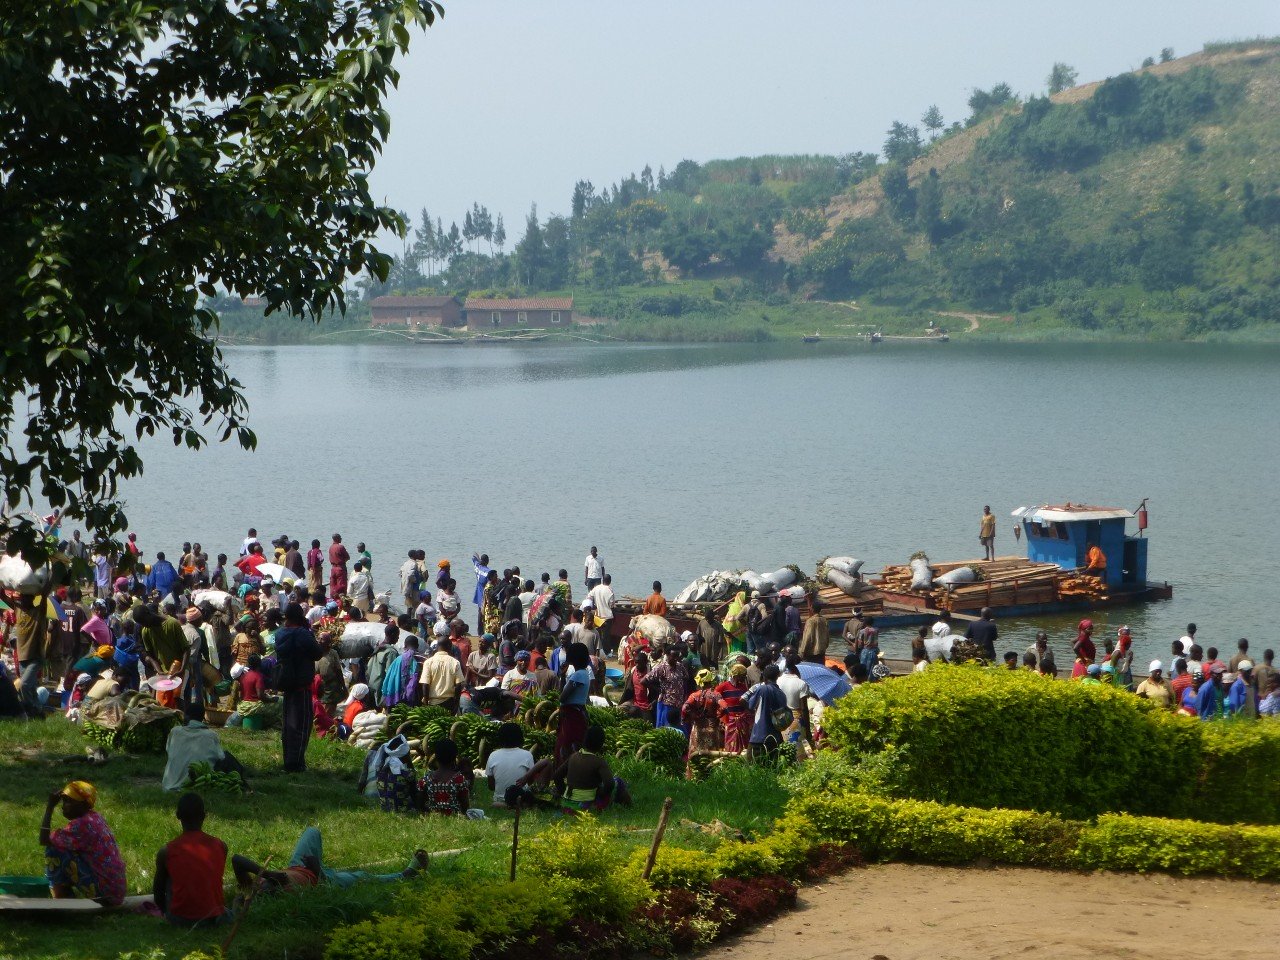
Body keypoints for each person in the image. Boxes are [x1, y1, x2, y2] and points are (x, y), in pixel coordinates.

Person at [233, 827, 426, 892]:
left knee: (312, 831)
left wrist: (268, 873)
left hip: (298, 866)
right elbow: (321, 890)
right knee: (361, 876)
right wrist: (317, 871)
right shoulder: (282, 893)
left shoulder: (252, 888)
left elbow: (236, 860)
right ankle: (406, 875)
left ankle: (322, 868)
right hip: (321, 881)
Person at [40, 781, 126, 905]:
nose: (64, 806)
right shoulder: (95, 818)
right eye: (63, 801)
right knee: (64, 849)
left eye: (69, 801)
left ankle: (61, 899)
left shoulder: (82, 825)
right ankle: (65, 895)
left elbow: (44, 840)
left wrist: (50, 807)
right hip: (115, 892)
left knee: (53, 849)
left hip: (105, 896)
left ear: (84, 805)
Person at [154, 793, 230, 925]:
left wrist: (163, 912)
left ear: (178, 815)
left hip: (179, 919)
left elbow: (158, 891)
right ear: (204, 815)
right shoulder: (221, 846)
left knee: (167, 876)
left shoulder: (167, 851)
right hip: (214, 917)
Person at [274, 603, 323, 773]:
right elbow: (317, 653)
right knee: (302, 726)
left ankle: (289, 760)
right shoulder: (302, 634)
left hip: (287, 685)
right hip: (301, 686)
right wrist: (322, 641)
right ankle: (296, 764)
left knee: (288, 726)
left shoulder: (280, 634)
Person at [163, 701, 245, 791]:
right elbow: (220, 757)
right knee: (227, 756)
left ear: (187, 716)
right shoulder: (211, 735)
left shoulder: (175, 732)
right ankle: (243, 785)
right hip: (199, 784)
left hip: (169, 786)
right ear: (202, 718)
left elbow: (169, 750)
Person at [553, 725, 629, 812]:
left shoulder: (573, 757)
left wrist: (564, 793)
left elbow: (556, 776)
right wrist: (601, 794)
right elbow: (609, 784)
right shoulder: (599, 762)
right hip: (587, 807)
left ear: (584, 741)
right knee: (618, 782)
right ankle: (629, 806)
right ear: (601, 744)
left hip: (567, 806)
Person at [556, 642, 593, 763]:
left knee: (567, 747)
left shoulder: (578, 675)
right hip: (576, 713)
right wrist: (562, 676)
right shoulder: (584, 674)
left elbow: (562, 697)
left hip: (572, 715)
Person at [485, 722, 536, 807]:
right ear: (520, 738)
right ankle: (517, 804)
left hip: (499, 799)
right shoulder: (527, 755)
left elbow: (491, 786)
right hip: (522, 798)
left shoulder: (493, 755)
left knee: (496, 804)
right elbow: (531, 781)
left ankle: (506, 805)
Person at [681, 669, 723, 771]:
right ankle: (711, 775)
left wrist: (692, 717)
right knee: (712, 755)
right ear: (710, 681)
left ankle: (694, 774)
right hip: (712, 729)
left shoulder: (694, 696)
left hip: (698, 729)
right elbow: (725, 707)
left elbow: (684, 708)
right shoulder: (716, 695)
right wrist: (718, 717)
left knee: (696, 754)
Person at [744, 664, 788, 760]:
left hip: (758, 737)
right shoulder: (782, 694)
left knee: (752, 768)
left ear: (764, 676)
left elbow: (750, 706)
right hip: (775, 738)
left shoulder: (762, 689)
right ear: (778, 676)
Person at [419, 738, 473, 815]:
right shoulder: (459, 779)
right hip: (455, 818)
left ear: (436, 757)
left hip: (432, 818)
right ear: (455, 757)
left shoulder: (425, 779)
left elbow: (420, 804)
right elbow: (465, 805)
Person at [647, 645, 691, 729]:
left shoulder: (680, 666)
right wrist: (658, 689)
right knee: (666, 728)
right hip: (666, 703)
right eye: (673, 656)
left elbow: (686, 678)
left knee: (679, 728)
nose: (676, 658)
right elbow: (645, 680)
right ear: (667, 655)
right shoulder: (661, 667)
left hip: (679, 703)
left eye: (677, 656)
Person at [420, 636, 464, 711]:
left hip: (432, 703)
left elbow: (425, 684)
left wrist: (426, 703)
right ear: (449, 646)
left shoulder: (428, 662)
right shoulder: (455, 662)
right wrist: (456, 704)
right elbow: (458, 685)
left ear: (437, 646)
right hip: (449, 703)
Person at [776, 655, 813, 744]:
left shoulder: (778, 680)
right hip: (795, 719)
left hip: (780, 717)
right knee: (797, 748)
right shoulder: (801, 683)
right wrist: (808, 730)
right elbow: (804, 708)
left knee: (783, 745)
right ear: (799, 666)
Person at [586, 574, 615, 649]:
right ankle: (607, 651)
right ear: (610, 581)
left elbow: (589, 597)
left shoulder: (596, 588)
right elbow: (611, 605)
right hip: (607, 617)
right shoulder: (610, 590)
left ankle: (598, 649)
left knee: (598, 634)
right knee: (606, 636)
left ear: (602, 580)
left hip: (598, 616)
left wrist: (593, 606)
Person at [798, 597, 828, 664]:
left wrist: (802, 652)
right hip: (821, 651)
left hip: (812, 654)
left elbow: (807, 638)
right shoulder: (824, 620)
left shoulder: (810, 621)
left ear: (812, 609)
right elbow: (827, 637)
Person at [327, 534, 350, 601]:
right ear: (337, 538)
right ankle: (341, 602)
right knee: (341, 586)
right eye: (340, 537)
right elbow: (348, 557)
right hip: (340, 568)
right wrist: (342, 561)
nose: (341, 538)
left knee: (333, 586)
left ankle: (332, 600)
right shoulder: (340, 547)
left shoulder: (331, 547)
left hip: (333, 568)